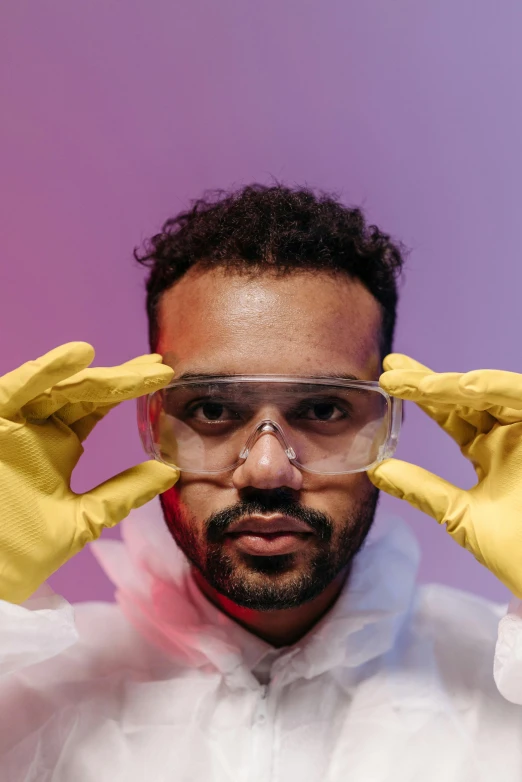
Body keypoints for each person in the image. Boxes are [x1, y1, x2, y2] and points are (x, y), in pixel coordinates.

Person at [1, 184, 522, 781]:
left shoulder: (501, 680)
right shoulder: (26, 687)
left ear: (386, 422)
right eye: (214, 411)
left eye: (325, 410)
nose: (268, 471)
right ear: (154, 418)